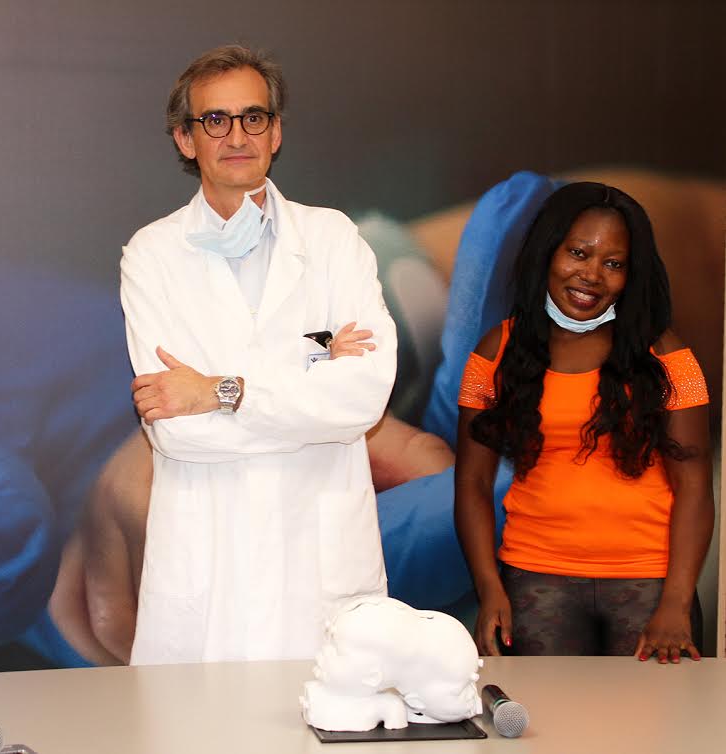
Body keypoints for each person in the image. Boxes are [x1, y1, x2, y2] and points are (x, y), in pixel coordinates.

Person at [119, 44, 396, 664]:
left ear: (275, 132)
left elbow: (362, 399)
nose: (237, 135)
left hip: (318, 560)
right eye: (215, 120)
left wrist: (220, 391)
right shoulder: (152, 254)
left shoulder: (333, 238)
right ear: (186, 139)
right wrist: (312, 371)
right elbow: (178, 432)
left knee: (328, 705)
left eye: (253, 117)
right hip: (208, 565)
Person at [453, 181, 714, 662]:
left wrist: (676, 603)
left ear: (630, 275)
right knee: (547, 716)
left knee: (652, 717)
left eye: (613, 263)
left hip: (649, 582)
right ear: (547, 252)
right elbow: (471, 482)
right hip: (535, 578)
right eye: (578, 253)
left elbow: (695, 485)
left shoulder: (667, 355)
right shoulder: (497, 350)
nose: (592, 275)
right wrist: (489, 589)